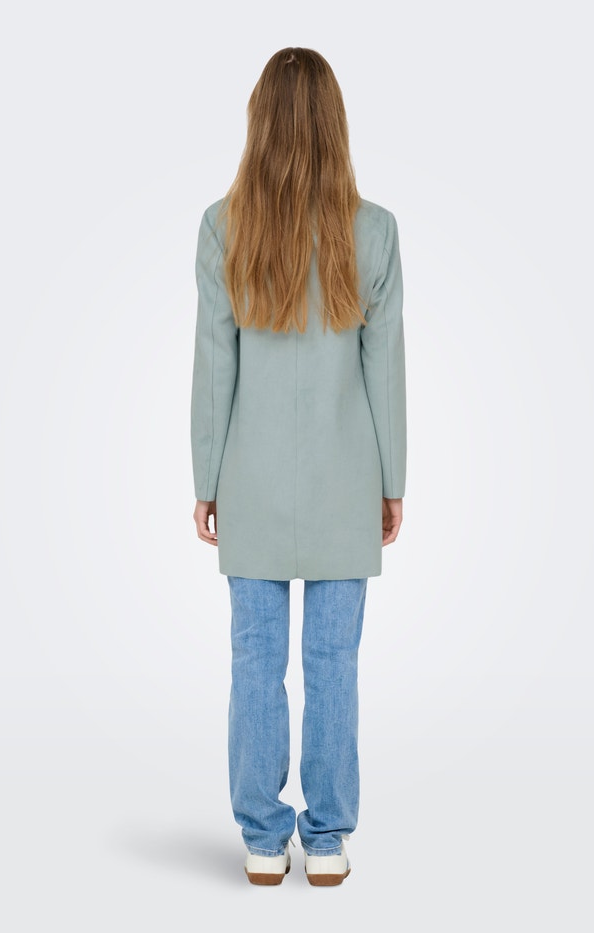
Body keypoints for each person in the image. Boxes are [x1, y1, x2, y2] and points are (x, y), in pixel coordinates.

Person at [190, 47, 406, 886]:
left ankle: (259, 835)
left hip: (250, 479)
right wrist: (393, 480)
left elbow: (216, 367)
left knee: (255, 660)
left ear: (260, 122)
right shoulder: (372, 230)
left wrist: (206, 479)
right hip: (346, 481)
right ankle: (326, 839)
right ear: (333, 124)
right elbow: (384, 370)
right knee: (332, 664)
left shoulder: (225, 226)